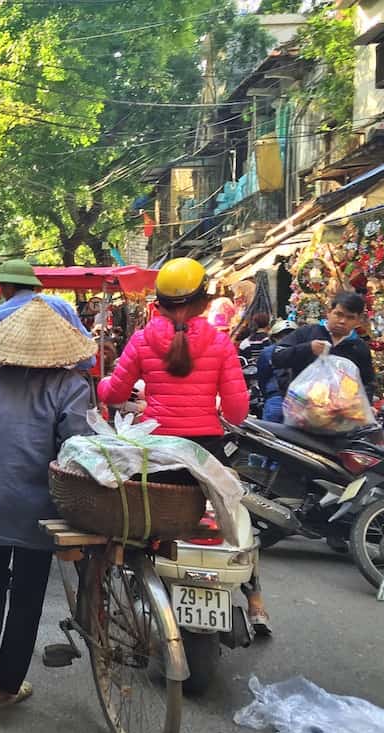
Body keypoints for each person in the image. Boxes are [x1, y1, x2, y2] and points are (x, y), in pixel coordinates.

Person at [97, 257, 270, 634]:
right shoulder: (222, 344)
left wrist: (102, 385)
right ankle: (255, 599)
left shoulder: (143, 341)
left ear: (157, 304)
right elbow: (238, 412)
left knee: (135, 524)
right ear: (205, 303)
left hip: (157, 455)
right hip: (204, 455)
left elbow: (114, 393)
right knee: (235, 517)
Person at [0, 297, 94, 707]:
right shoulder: (71, 386)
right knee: (28, 594)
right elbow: (77, 449)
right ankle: (6, 688)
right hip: (42, 508)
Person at [0, 258, 95, 370]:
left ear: (8, 286)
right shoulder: (60, 305)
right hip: (57, 375)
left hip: (11, 381)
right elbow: (85, 352)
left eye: (2, 287)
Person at [271, 291, 375, 401]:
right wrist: (308, 348)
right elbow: (277, 357)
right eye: (338, 314)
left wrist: (364, 406)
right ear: (329, 312)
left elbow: (367, 383)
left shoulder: (358, 347)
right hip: (302, 409)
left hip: (340, 412)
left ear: (357, 321)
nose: (342, 321)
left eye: (350, 317)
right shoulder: (306, 333)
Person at [257, 319, 296, 422]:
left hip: (275, 399)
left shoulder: (267, 352)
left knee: (267, 436)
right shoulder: (304, 350)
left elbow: (262, 378)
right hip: (298, 403)